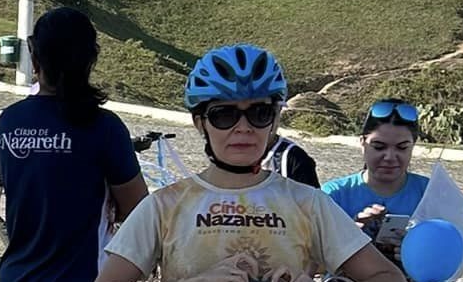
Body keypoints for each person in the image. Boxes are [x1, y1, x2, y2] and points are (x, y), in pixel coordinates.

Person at [97, 45, 404, 282]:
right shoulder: (164, 207)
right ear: (199, 122)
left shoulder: (308, 204)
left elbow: (387, 276)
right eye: (224, 114)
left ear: (275, 119)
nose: (242, 128)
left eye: (259, 113)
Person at [0, 7, 147, 282]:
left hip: (15, 274)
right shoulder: (104, 127)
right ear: (90, 60)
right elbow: (138, 210)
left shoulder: (9, 121)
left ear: (34, 55)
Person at [322, 99, 429, 264]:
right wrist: (349, 235)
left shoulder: (430, 193)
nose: (390, 157)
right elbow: (312, 261)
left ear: (413, 146)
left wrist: (418, 252)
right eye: (379, 146)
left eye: (402, 148)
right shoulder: (334, 194)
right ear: (362, 143)